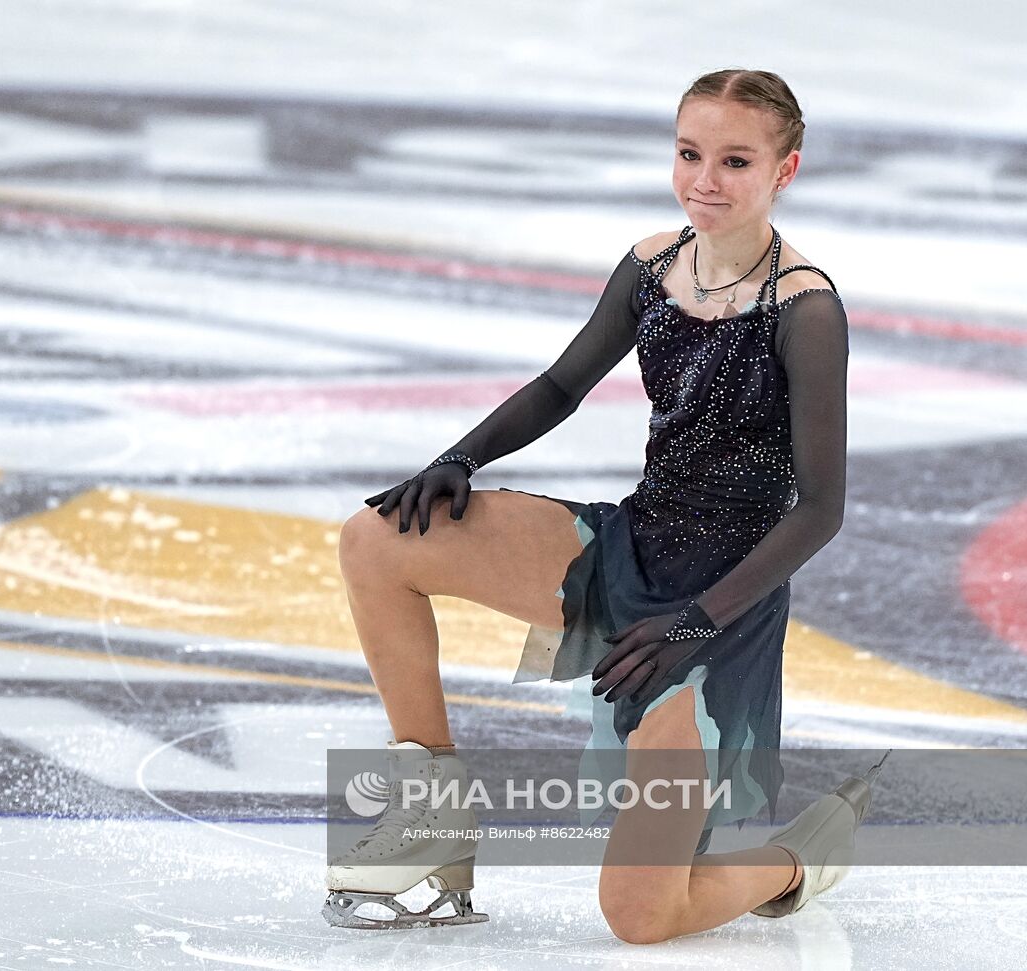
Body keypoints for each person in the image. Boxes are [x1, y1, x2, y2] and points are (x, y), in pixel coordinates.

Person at [323, 69, 889, 941]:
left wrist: (694, 623)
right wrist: (459, 457)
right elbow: (561, 383)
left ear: (787, 170)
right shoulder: (655, 263)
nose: (705, 179)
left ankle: (800, 856)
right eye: (690, 153)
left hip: (718, 612)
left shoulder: (806, 309)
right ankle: (431, 821)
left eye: (735, 160)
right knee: (378, 540)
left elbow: (819, 509)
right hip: (629, 547)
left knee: (640, 914)